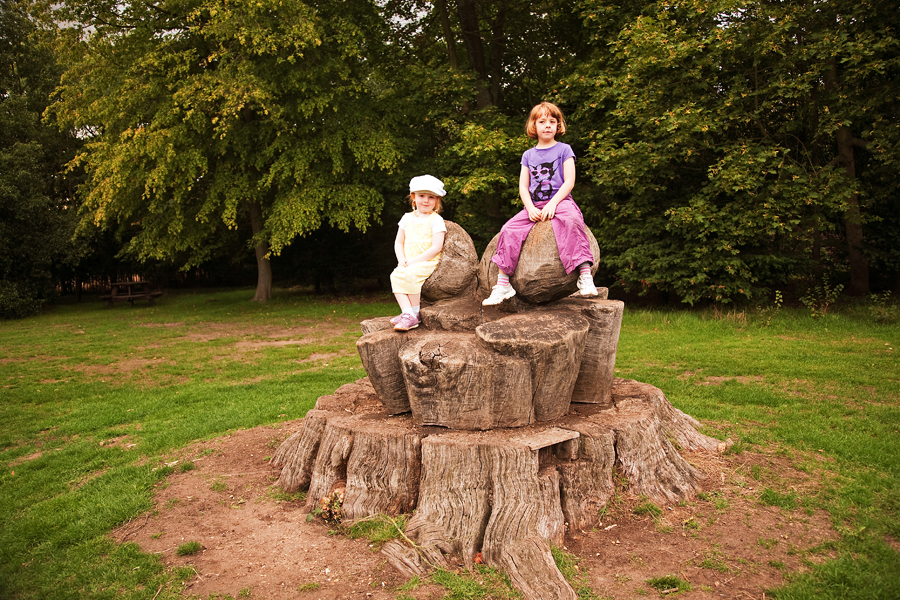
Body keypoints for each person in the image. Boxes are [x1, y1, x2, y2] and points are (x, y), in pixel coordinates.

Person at [483, 102, 598, 305]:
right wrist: (530, 208)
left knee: (572, 220)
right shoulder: (528, 155)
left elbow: (570, 181)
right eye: (542, 121)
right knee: (508, 229)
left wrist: (553, 204)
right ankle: (502, 285)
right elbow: (523, 187)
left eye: (552, 121)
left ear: (558, 125)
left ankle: (585, 275)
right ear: (533, 126)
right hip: (535, 203)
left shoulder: (564, 149)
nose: (547, 125)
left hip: (560, 200)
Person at [389, 175, 447, 331]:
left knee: (411, 275)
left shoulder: (436, 220)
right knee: (395, 275)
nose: (426, 200)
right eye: (422, 196)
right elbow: (399, 242)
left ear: (437, 200)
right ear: (414, 197)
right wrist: (402, 259)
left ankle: (412, 315)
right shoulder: (407, 218)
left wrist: (414, 261)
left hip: (427, 260)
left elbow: (436, 247)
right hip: (408, 261)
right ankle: (408, 313)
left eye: (431, 197)